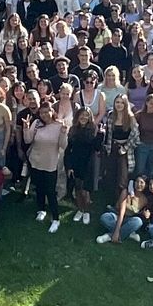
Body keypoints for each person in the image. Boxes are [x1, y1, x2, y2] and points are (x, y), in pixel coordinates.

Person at [24, 100, 68, 233]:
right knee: (39, 188)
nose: (44, 115)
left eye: (46, 112)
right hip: (35, 162)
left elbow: (63, 145)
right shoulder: (36, 124)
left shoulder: (59, 125)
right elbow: (27, 140)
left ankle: (56, 219)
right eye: (41, 112)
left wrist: (64, 133)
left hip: (50, 164)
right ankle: (41, 210)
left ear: (52, 111)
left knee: (50, 191)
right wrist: (26, 128)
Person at [65, 107, 103, 226]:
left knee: (86, 191)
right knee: (78, 189)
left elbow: (96, 148)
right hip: (75, 162)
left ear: (90, 117)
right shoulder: (73, 129)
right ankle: (80, 209)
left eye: (86, 115)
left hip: (88, 163)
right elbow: (69, 148)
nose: (83, 117)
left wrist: (101, 135)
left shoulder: (94, 129)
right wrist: (69, 166)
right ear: (77, 116)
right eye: (81, 115)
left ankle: (87, 211)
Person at [96, 175, 147, 244]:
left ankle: (109, 236)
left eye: (141, 182)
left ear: (145, 185)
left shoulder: (144, 199)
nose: (138, 184)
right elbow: (121, 211)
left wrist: (143, 213)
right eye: (137, 182)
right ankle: (127, 233)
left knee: (138, 221)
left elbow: (136, 212)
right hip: (117, 215)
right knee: (104, 217)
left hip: (129, 219)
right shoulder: (126, 192)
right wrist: (117, 230)